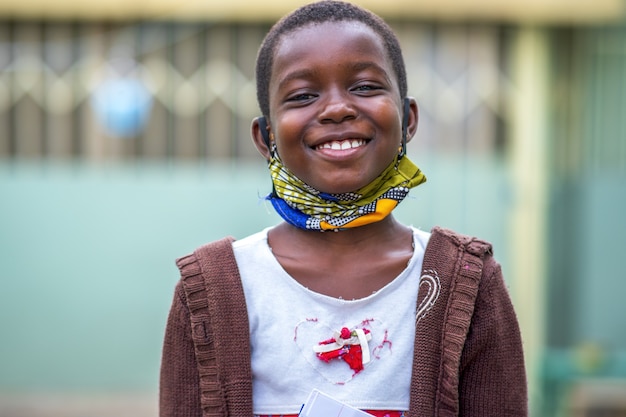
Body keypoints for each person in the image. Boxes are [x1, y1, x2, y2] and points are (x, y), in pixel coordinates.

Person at [159, 1, 528, 416]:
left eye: (366, 87)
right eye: (302, 95)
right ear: (266, 138)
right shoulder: (213, 290)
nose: (337, 108)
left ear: (408, 119)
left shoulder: (466, 283)